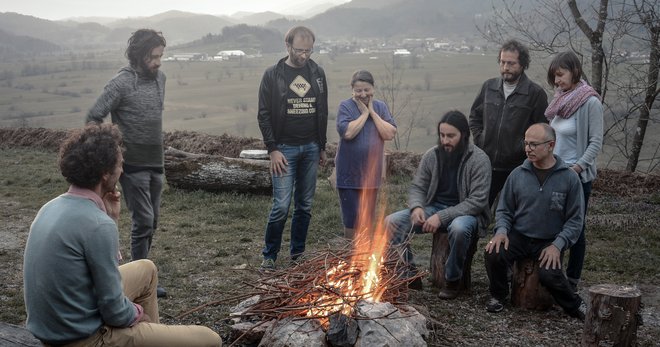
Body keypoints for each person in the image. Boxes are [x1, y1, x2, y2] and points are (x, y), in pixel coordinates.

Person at [23, 123, 222, 347]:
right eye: (119, 165)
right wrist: (137, 315)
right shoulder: (97, 225)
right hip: (83, 339)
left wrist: (111, 217)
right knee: (210, 339)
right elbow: (114, 310)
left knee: (146, 268)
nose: (123, 171)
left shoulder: (50, 207)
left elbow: (96, 268)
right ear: (105, 174)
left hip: (55, 328)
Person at [86, 28, 167, 297]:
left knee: (152, 221)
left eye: (160, 56)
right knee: (143, 220)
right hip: (131, 165)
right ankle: (138, 282)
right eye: (153, 56)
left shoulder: (160, 79)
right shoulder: (121, 82)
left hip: (156, 161)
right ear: (139, 54)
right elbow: (94, 116)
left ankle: (141, 278)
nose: (158, 61)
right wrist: (111, 153)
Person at [484, 123, 586, 320]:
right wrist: (501, 231)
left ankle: (575, 305)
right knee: (493, 252)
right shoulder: (517, 175)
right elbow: (504, 209)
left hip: (549, 240)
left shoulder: (569, 178)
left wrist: (558, 245)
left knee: (549, 275)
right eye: (526, 143)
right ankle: (498, 295)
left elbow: (575, 221)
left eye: (534, 144)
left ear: (551, 145)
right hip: (519, 235)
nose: (527, 149)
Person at [386, 111, 491, 298]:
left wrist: (441, 217)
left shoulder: (479, 159)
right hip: (433, 208)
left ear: (464, 135)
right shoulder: (432, 155)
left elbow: (477, 201)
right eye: (442, 135)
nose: (445, 141)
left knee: (459, 229)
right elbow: (418, 186)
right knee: (391, 222)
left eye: (451, 136)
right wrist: (417, 207)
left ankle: (453, 280)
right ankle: (409, 275)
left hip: (466, 213)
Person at [257, 26, 328, 269]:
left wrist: (321, 146)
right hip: (284, 149)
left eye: (308, 51)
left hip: (310, 147)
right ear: (287, 46)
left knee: (305, 205)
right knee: (280, 206)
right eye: (299, 50)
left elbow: (323, 111)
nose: (304, 56)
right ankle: (270, 255)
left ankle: (297, 255)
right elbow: (264, 115)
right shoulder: (273, 75)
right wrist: (272, 149)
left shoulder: (317, 73)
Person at [545, 51, 603, 292]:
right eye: (554, 77)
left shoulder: (590, 102)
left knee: (575, 228)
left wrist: (576, 169)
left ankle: (572, 279)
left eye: (560, 75)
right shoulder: (561, 99)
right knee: (552, 224)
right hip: (554, 172)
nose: (557, 81)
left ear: (575, 71)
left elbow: (596, 143)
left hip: (576, 176)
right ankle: (550, 273)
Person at [469, 39, 549, 208]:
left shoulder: (535, 94)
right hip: (487, 164)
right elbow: (475, 117)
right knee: (477, 211)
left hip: (518, 167)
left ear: (523, 64)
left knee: (514, 213)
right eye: (503, 62)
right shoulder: (488, 87)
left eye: (511, 63)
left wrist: (523, 148)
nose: (506, 67)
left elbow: (542, 129)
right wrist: (480, 139)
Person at [335, 70, 397, 239]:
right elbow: (348, 133)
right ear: (352, 90)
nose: (363, 94)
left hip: (371, 175)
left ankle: (363, 257)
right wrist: (363, 114)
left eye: (366, 90)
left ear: (373, 89)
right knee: (352, 220)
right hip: (348, 174)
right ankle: (349, 256)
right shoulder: (345, 106)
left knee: (367, 219)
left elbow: (389, 134)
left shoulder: (381, 107)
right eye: (358, 90)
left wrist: (373, 113)